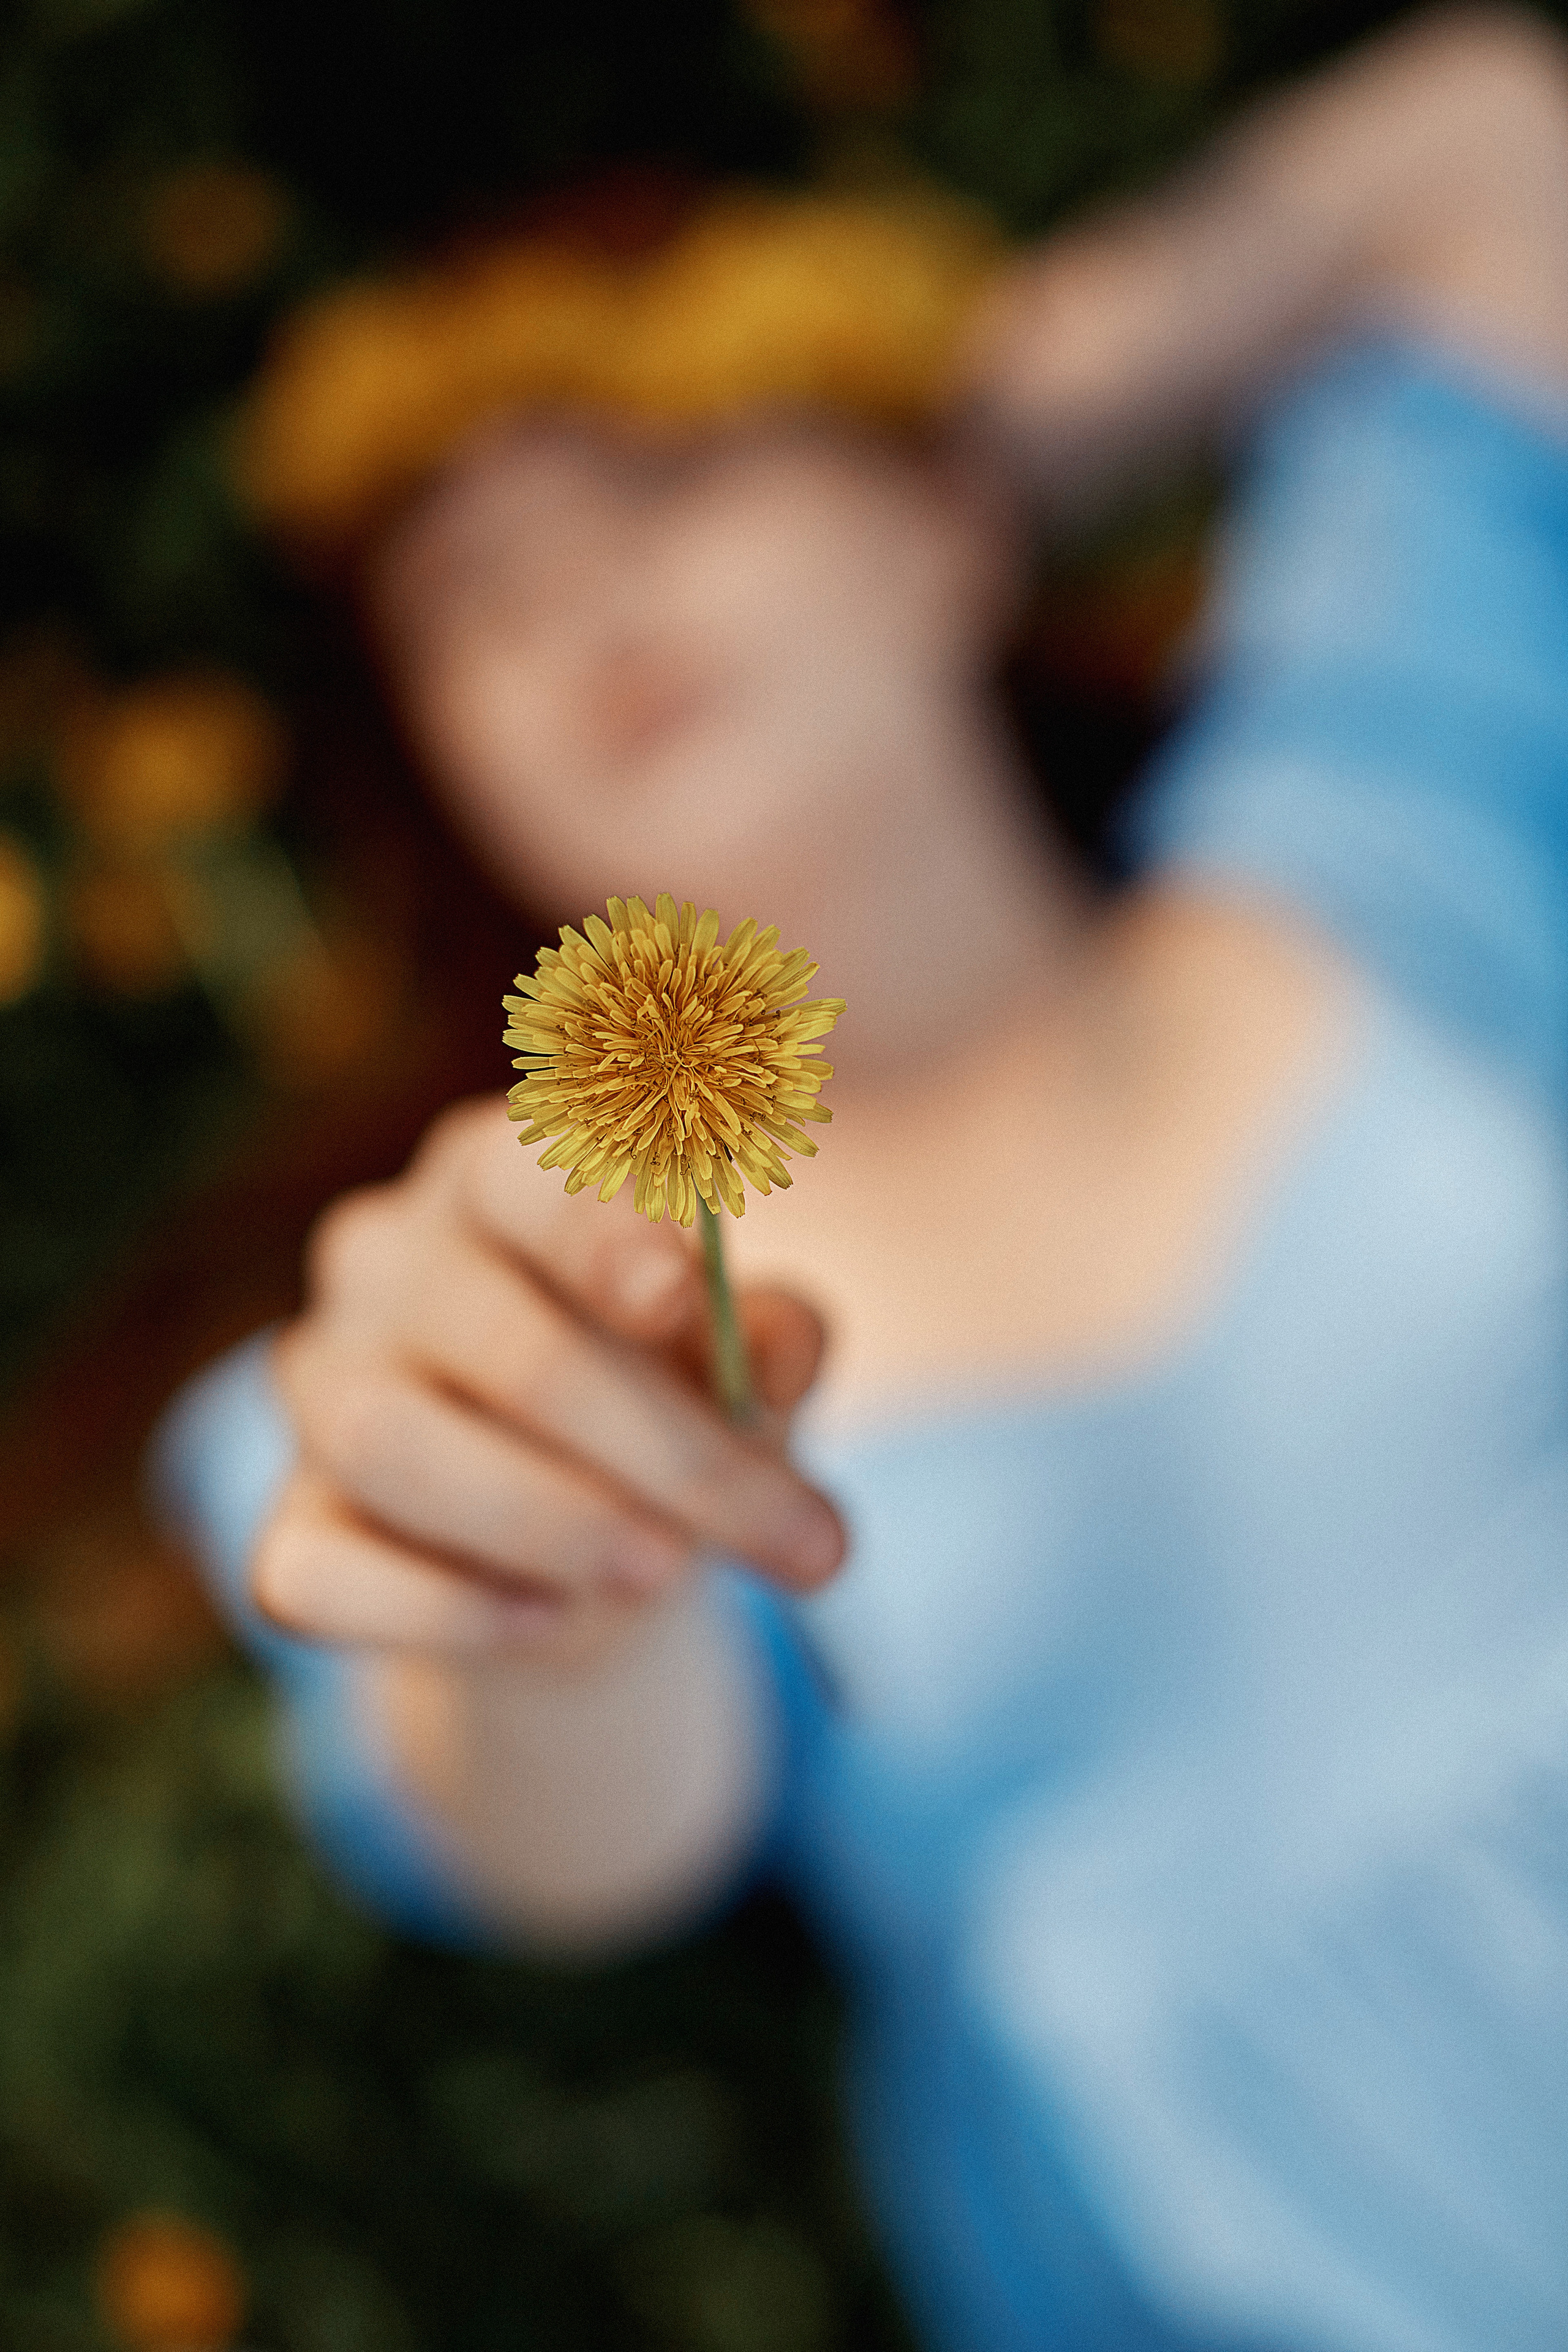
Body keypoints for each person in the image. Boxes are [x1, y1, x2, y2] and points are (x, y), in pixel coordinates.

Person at [158, 12, 1568, 2346]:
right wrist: (539, 1567)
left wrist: (989, 408)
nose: (585, 616)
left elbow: (1499, 135)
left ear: (936, 521)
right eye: (474, 606)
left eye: (666, 486)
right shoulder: (533, 1264)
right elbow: (582, 1834)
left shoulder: (1377, 803)